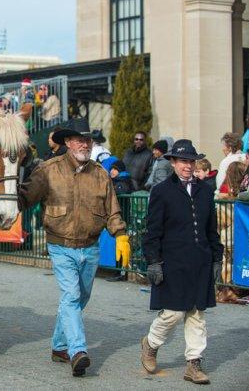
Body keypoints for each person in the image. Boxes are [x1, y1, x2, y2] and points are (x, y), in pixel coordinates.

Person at [19, 118, 129, 377]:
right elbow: (25, 197)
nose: (85, 144)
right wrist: (7, 190)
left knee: (80, 298)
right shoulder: (48, 170)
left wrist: (121, 234)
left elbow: (112, 209)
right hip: (61, 246)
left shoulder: (100, 173)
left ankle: (59, 346)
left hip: (90, 248)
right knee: (71, 296)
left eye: (88, 139)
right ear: (68, 142)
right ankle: (77, 351)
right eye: (79, 139)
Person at [140, 139, 223, 385]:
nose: (187, 166)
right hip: (172, 261)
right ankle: (150, 344)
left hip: (200, 261)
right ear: (173, 162)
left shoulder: (206, 191)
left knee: (197, 313)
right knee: (173, 313)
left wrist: (217, 257)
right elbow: (152, 230)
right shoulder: (161, 191)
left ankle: (194, 364)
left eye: (191, 161)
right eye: (183, 161)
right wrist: (153, 261)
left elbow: (212, 229)